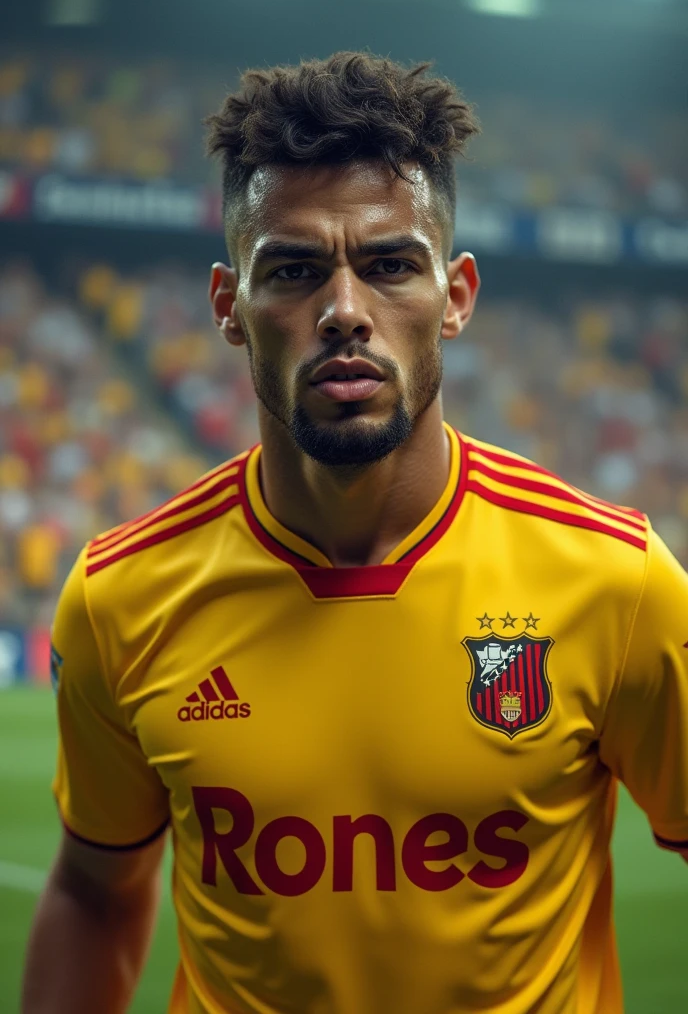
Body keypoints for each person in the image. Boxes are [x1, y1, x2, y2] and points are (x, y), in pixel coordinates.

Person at [22, 52, 688, 1014]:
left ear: (455, 297)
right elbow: (93, 889)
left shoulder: (616, 583)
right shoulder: (123, 595)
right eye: (292, 269)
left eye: (389, 266)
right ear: (229, 308)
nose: (344, 312)